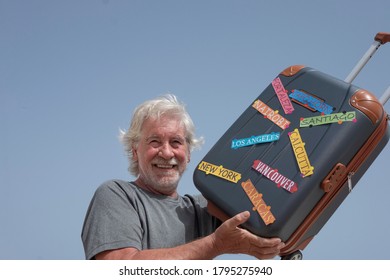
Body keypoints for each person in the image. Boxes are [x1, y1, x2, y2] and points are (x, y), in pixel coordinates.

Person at [81, 94, 285, 260]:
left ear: (188, 154)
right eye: (154, 141)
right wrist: (214, 244)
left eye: (176, 142)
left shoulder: (204, 207)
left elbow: (274, 217)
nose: (167, 153)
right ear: (135, 151)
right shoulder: (117, 195)